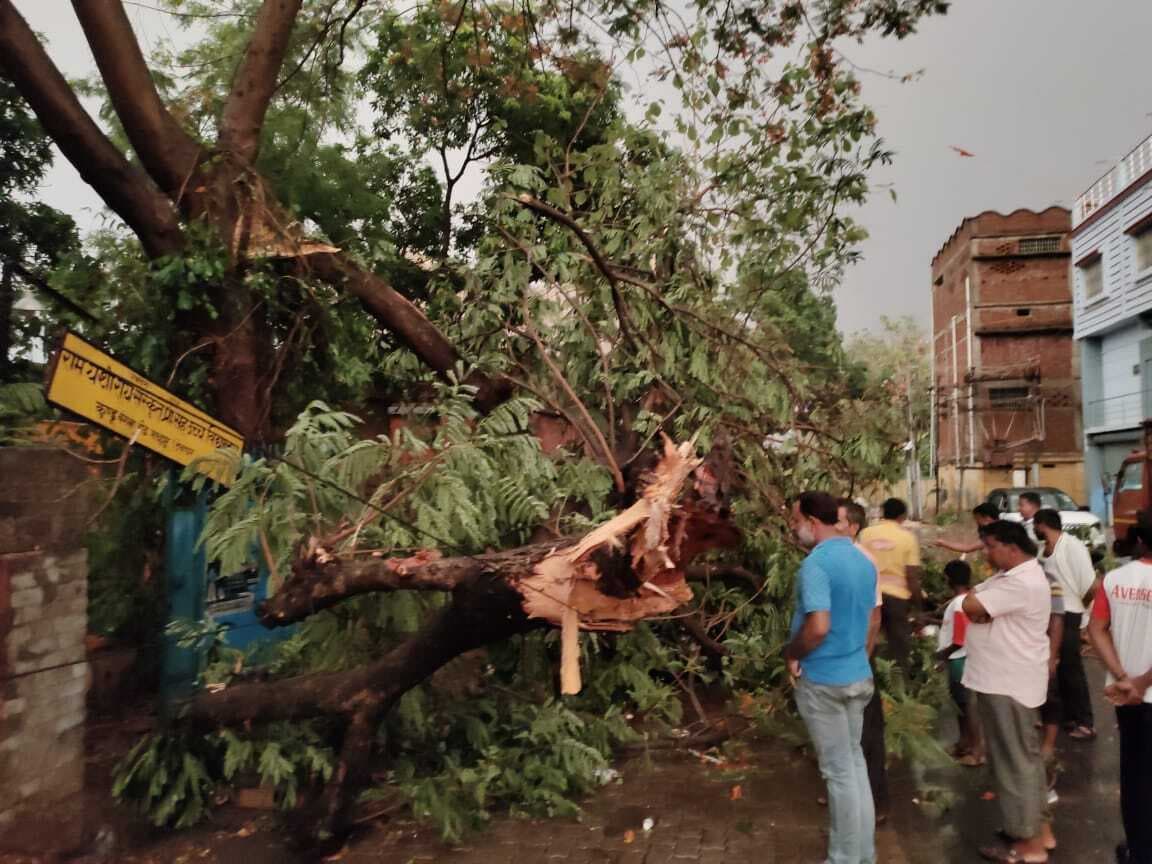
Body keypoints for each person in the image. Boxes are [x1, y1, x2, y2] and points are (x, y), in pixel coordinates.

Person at [786, 491, 877, 864]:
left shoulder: (817, 565)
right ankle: (863, 855)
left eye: (796, 522)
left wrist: (793, 652)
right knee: (854, 769)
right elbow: (872, 619)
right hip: (858, 676)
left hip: (824, 681)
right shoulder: (863, 560)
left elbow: (819, 626)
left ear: (812, 521)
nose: (794, 529)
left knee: (840, 775)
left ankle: (844, 859)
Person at [962, 520, 1056, 863]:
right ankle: (1038, 831)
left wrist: (977, 604)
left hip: (1007, 683)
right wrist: (977, 603)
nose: (985, 553)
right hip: (1008, 680)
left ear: (1012, 547)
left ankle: (1027, 845)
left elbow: (970, 605)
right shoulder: (1012, 577)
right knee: (1024, 760)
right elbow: (974, 601)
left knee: (1014, 763)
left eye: (990, 546)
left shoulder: (1022, 581)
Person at [1088, 520, 1152, 864]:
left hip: (1125, 697)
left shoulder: (1114, 580)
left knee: (1134, 776)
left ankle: (1139, 851)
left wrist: (1124, 677)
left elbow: (1096, 629)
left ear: (1140, 540)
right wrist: (1140, 683)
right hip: (1137, 692)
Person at [837, 499, 888, 821]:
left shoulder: (861, 561)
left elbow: (874, 617)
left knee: (866, 733)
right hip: (837, 661)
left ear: (853, 528)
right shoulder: (831, 557)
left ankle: (876, 803)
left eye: (837, 521)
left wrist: (863, 658)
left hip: (855, 660)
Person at [1033, 508, 1097, 740]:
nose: (1033, 529)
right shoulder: (1042, 551)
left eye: (1035, 525)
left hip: (1070, 613)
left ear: (1042, 525)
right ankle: (1064, 717)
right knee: (1054, 669)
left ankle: (1085, 721)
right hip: (1050, 615)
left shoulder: (1072, 547)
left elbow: (1091, 586)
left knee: (1071, 669)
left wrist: (1081, 612)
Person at [859, 498, 923, 671]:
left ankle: (868, 678)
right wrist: (918, 606)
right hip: (897, 599)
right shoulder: (907, 538)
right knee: (899, 645)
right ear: (903, 516)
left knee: (866, 641)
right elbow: (912, 576)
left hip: (869, 596)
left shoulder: (865, 534)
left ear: (882, 512)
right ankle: (900, 686)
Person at [936, 560, 983, 766]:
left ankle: (976, 751)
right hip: (959, 659)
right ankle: (963, 743)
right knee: (961, 707)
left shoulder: (959, 603)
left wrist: (941, 656)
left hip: (959, 661)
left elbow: (959, 639)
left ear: (949, 579)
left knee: (966, 707)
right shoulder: (963, 600)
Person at [935, 502, 1002, 555]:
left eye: (977, 519)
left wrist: (942, 543)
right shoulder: (1000, 528)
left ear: (987, 518)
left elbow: (967, 548)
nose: (977, 522)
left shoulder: (995, 534)